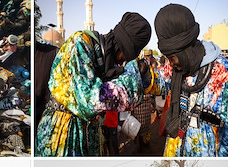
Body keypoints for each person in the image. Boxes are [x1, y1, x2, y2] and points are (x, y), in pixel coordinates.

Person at [36, 12, 151, 156]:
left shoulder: (102, 60)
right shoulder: (81, 42)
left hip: (88, 132)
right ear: (119, 46)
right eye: (123, 56)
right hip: (62, 134)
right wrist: (132, 75)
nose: (119, 62)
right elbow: (89, 101)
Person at [155, 4, 228, 157]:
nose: (171, 63)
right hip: (175, 146)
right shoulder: (176, 67)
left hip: (204, 154)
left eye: (172, 58)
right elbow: (159, 83)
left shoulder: (222, 73)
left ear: (184, 50)